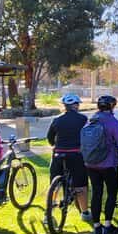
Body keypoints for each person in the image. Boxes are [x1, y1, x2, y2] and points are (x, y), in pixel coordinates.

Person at [85, 95, 118, 234]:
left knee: (96, 193)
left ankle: (96, 226)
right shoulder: (113, 122)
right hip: (108, 163)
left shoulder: (91, 120)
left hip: (91, 163)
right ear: (112, 107)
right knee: (111, 193)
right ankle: (108, 226)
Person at [46, 94, 91, 222]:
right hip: (76, 154)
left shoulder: (57, 120)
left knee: (53, 185)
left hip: (59, 155)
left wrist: (55, 145)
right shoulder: (83, 119)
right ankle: (85, 212)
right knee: (81, 185)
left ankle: (48, 214)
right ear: (76, 105)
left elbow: (50, 138)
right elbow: (87, 136)